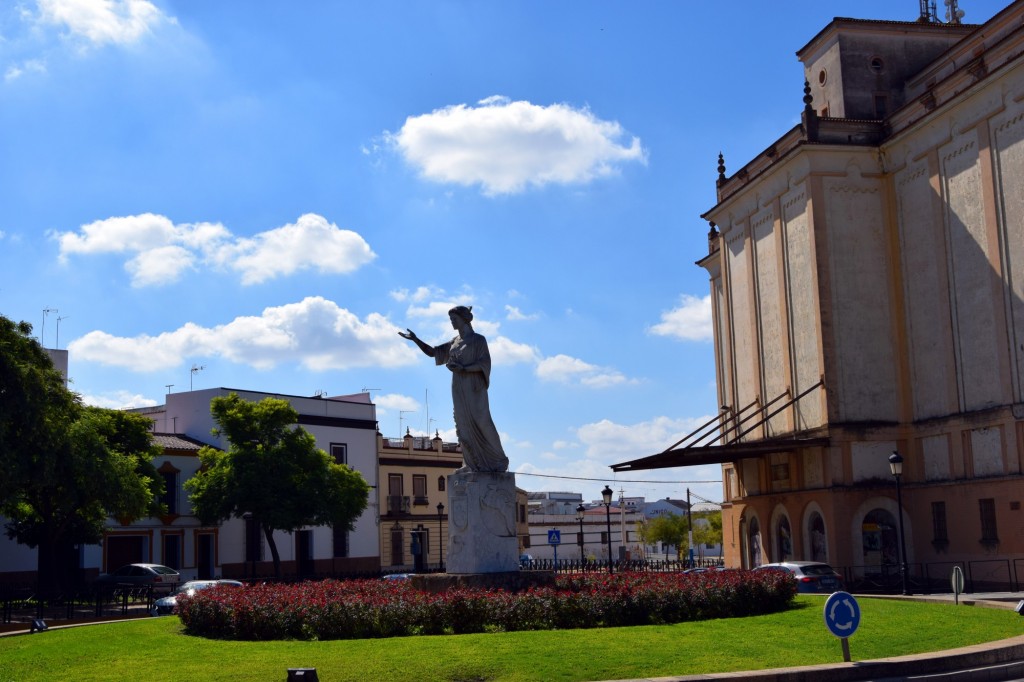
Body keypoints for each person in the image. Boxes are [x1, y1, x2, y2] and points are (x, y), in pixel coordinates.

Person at [399, 306, 509, 473]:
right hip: (458, 386)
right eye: (450, 319)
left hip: (474, 385)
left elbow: (484, 363)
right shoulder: (454, 342)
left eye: (454, 319)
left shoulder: (479, 340)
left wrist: (464, 368)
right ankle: (471, 463)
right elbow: (433, 352)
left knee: (482, 420)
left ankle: (499, 460)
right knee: (462, 423)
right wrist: (416, 340)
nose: (452, 322)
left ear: (464, 319)